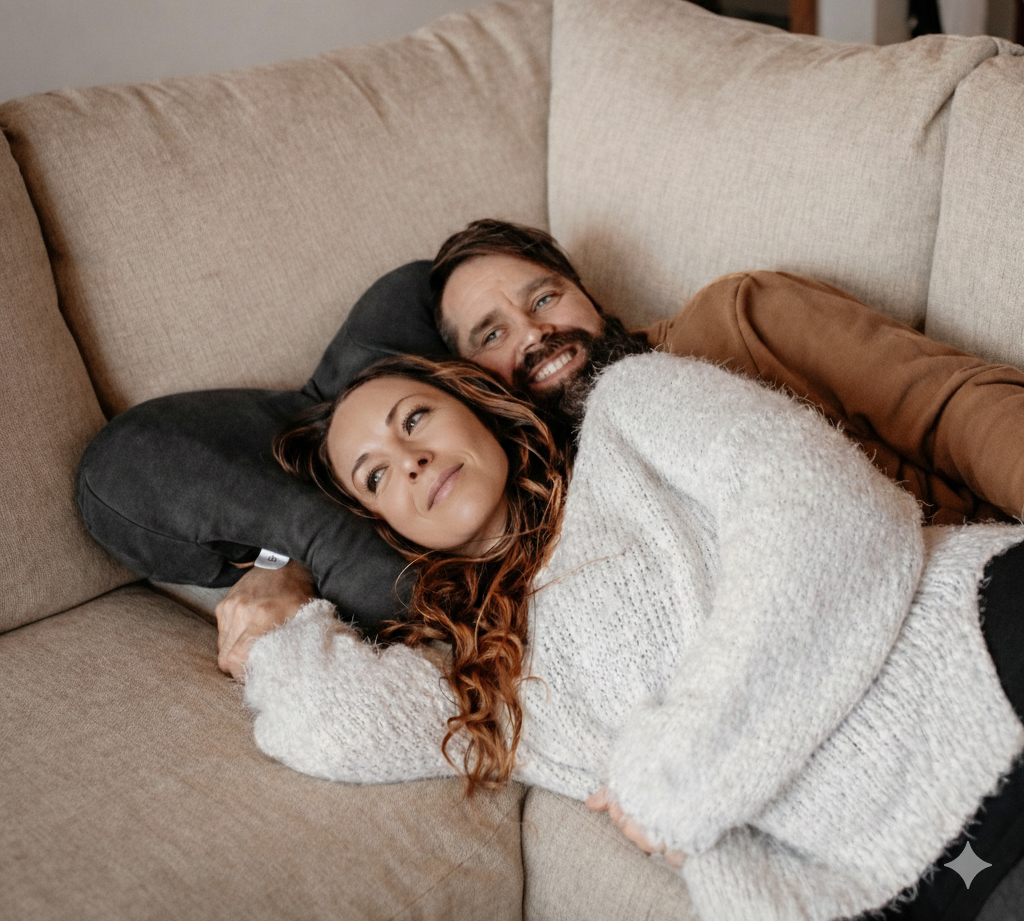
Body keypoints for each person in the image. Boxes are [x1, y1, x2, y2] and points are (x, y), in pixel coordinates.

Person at [244, 350, 1024, 921]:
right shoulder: (485, 679)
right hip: (900, 878)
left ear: (474, 401)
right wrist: (276, 599)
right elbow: (326, 727)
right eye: (375, 476)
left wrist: (673, 780)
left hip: (982, 658)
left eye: (413, 420)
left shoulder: (631, 414)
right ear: (383, 525)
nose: (409, 462)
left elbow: (825, 510)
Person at [216, 218, 1024, 675]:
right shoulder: (541, 500)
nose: (536, 334)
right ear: (472, 385)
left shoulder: (738, 317)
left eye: (545, 297)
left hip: (961, 579)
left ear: (587, 293)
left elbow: (956, 408)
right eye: (494, 334)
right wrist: (280, 568)